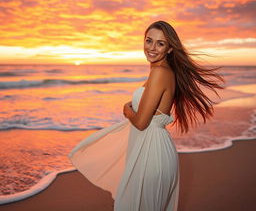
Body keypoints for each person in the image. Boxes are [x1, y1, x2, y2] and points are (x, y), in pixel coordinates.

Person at [69, 20, 224, 211]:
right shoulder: (162, 71)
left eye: (160, 43)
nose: (152, 48)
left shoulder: (160, 72)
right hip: (152, 149)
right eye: (149, 41)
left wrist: (127, 111)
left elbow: (141, 122)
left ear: (169, 49)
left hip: (152, 154)